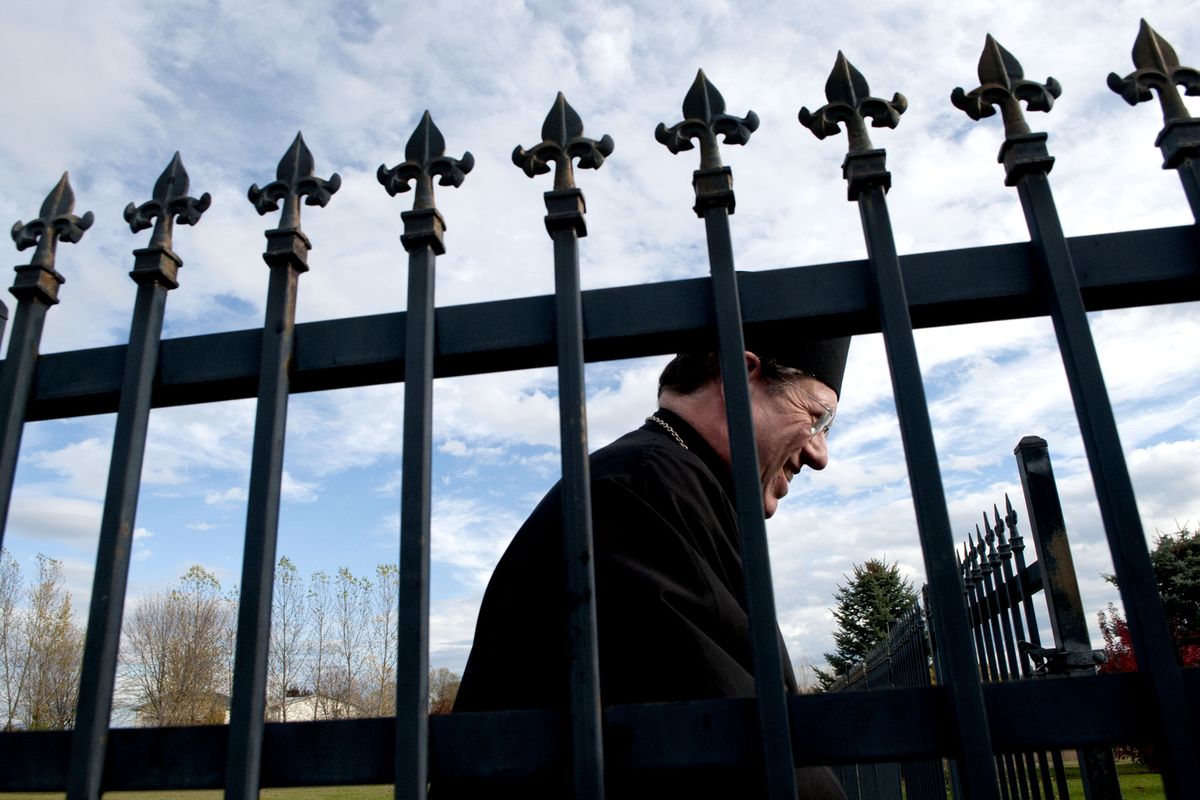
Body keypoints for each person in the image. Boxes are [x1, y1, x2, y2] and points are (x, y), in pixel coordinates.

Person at [451, 335, 851, 799]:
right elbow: (729, 748)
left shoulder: (667, 480)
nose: (821, 455)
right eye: (818, 417)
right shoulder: (637, 492)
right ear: (738, 376)